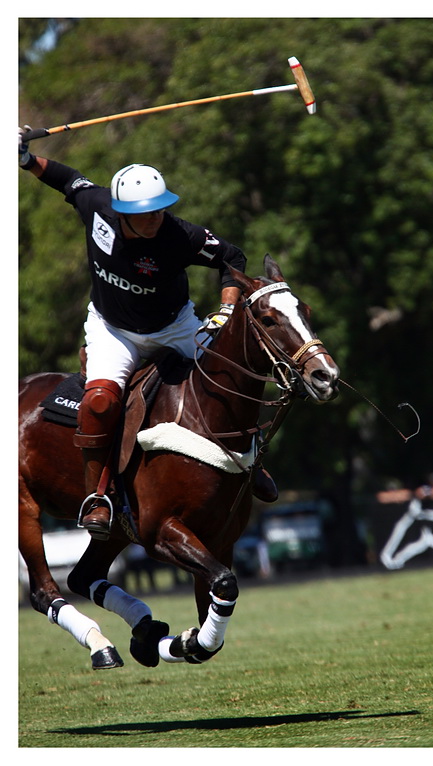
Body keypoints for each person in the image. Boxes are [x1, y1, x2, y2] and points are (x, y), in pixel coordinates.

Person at [19, 128, 277, 539]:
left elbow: (232, 258)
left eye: (159, 209)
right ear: (121, 212)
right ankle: (98, 496)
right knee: (100, 402)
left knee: (228, 378)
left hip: (174, 326)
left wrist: (227, 310)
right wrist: (25, 158)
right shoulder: (98, 208)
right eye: (145, 212)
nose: (155, 217)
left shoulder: (181, 236)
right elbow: (67, 179)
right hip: (113, 329)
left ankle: (251, 460)